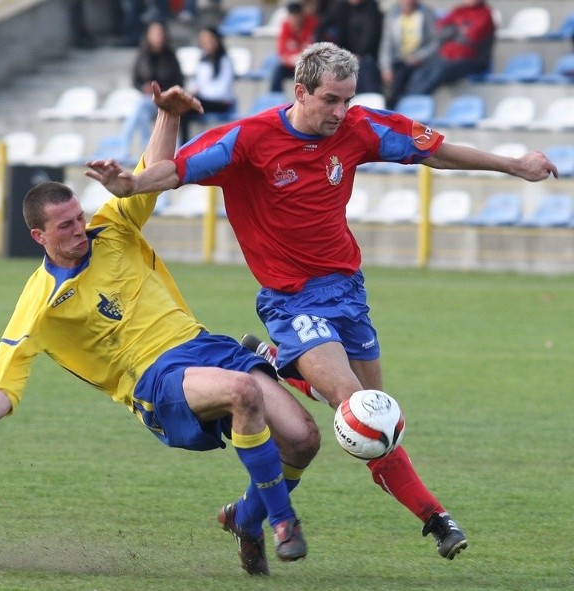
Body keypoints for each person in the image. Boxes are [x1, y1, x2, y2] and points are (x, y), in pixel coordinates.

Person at [84, 42, 558, 562]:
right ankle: (435, 518)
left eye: (347, 100)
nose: (339, 112)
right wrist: (128, 183)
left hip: (348, 293)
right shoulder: (249, 139)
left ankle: (246, 510)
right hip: (291, 302)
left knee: (382, 422)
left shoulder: (359, 127)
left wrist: (513, 165)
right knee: (359, 409)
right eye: (330, 99)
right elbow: (172, 171)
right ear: (300, 91)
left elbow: (434, 151)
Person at [0, 83, 320, 577]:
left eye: (78, 217)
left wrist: (169, 115)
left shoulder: (111, 229)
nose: (79, 229)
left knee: (303, 440)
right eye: (65, 227)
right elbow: (7, 371)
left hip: (203, 345)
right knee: (242, 392)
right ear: (39, 237)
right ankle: (283, 522)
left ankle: (245, 519)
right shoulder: (40, 301)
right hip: (154, 381)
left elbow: (149, 177)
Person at [120, 20, 184, 160]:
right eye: (155, 34)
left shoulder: (171, 57)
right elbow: (136, 80)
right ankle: (142, 147)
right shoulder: (142, 56)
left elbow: (178, 82)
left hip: (166, 100)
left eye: (160, 34)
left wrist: (163, 93)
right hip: (148, 100)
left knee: (139, 108)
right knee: (139, 110)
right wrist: (143, 87)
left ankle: (132, 146)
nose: (158, 37)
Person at [404, 0, 496, 96]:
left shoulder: (485, 14)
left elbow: (471, 37)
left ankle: (416, 99)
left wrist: (453, 30)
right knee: (422, 69)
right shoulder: (458, 11)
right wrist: (458, 29)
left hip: (473, 60)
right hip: (449, 57)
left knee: (441, 69)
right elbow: (439, 31)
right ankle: (408, 99)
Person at [179, 27, 236, 144]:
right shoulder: (203, 61)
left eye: (208, 40)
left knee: (185, 107)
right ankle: (182, 145)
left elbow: (222, 91)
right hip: (204, 101)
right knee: (179, 107)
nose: (205, 44)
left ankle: (183, 145)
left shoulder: (225, 61)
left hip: (220, 103)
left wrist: (200, 91)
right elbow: (197, 82)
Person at [379, 0, 438, 109]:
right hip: (398, 61)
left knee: (405, 77)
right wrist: (386, 68)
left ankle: (391, 108)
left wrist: (419, 56)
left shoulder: (426, 14)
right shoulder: (392, 15)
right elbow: (387, 45)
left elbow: (434, 43)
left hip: (421, 61)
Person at [315, 0, 383, 94]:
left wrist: (359, 54)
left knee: (365, 69)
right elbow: (322, 27)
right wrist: (322, 49)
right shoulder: (339, 7)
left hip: (366, 56)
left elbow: (371, 35)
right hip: (343, 54)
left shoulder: (371, 8)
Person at [269, 1, 319, 93]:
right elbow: (282, 51)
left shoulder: (312, 24)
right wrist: (291, 58)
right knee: (278, 70)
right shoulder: (285, 26)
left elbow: (315, 47)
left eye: (297, 16)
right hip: (292, 64)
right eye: (292, 17)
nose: (295, 20)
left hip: (309, 64)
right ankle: (275, 98)